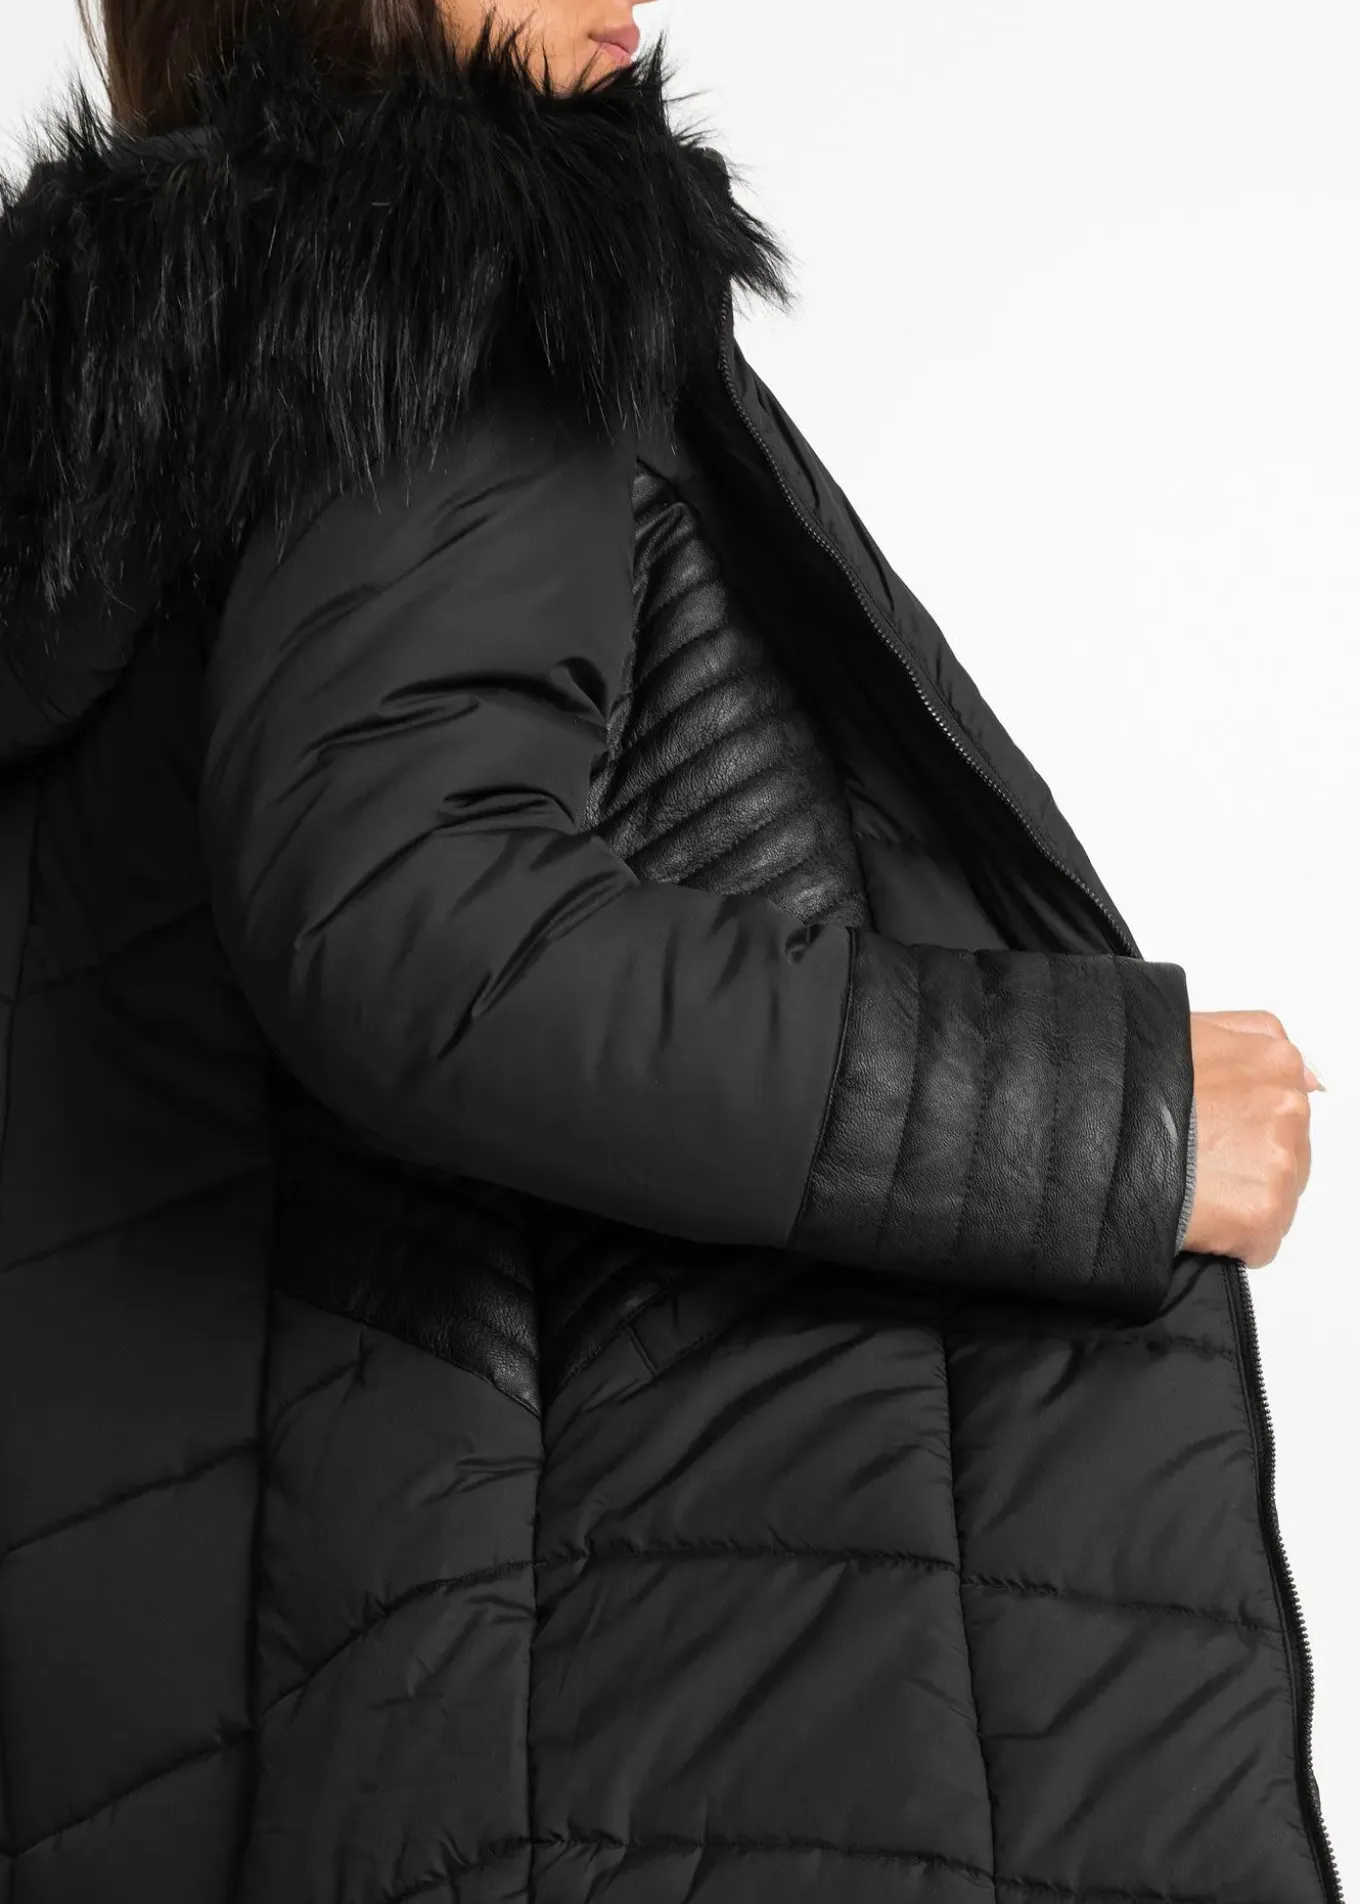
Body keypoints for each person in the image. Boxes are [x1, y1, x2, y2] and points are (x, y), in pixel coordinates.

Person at [0, 1, 1336, 1899]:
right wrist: (1096, 1122)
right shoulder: (447, 282)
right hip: (577, 1713)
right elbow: (416, 931)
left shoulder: (134, 413)